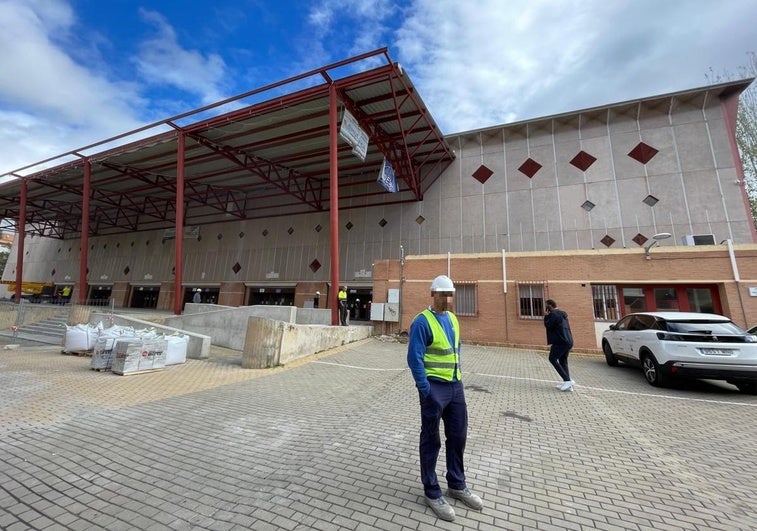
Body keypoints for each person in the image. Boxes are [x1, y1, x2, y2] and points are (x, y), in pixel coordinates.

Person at [406, 274, 483, 522]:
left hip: (455, 386)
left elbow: (455, 350)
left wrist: (457, 379)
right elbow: (414, 359)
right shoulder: (421, 322)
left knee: (458, 436)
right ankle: (431, 491)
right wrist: (425, 390)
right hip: (433, 389)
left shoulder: (452, 319)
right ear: (433, 295)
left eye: (451, 294)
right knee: (431, 439)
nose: (448, 299)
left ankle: (457, 484)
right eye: (443, 294)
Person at [544, 299, 575, 391]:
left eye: (546, 306)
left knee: (552, 358)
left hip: (560, 341)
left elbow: (549, 325)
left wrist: (546, 317)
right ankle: (567, 382)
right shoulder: (562, 314)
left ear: (549, 306)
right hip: (568, 340)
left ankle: (567, 380)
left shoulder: (554, 314)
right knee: (563, 360)